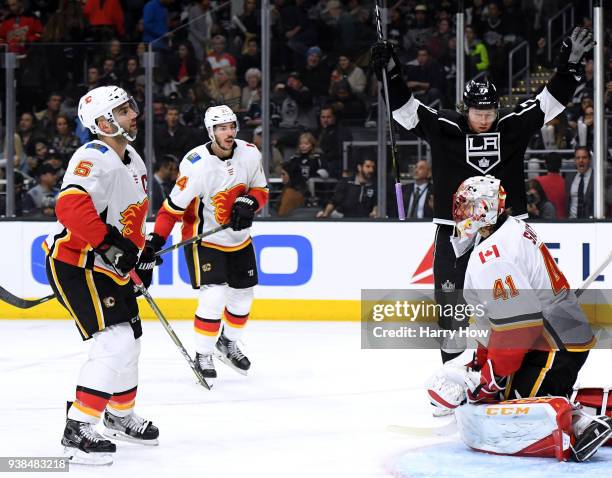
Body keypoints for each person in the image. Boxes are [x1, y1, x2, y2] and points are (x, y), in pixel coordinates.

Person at [369, 27, 595, 364]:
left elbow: (549, 103)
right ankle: (454, 374)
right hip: (455, 232)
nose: (485, 119)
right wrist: (391, 73)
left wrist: (568, 68)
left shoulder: (511, 126)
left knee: (518, 303)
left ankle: (519, 372)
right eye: (479, 113)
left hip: (506, 234)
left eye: (490, 113)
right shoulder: (446, 127)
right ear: (466, 108)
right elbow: (407, 112)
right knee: (451, 304)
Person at [427, 175, 611, 462]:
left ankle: (579, 425)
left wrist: (490, 379)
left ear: (484, 210)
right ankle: (596, 409)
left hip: (553, 345)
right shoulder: (508, 229)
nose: (460, 214)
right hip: (556, 333)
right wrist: (484, 363)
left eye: (465, 207)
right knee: (513, 396)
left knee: (515, 412)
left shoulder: (493, 255)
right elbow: (499, 321)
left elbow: (518, 329)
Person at [43, 86, 159, 465]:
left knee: (132, 341)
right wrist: (111, 248)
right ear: (104, 122)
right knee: (116, 340)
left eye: (130, 108)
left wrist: (139, 256)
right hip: (78, 263)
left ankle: (119, 415)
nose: (133, 114)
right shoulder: (93, 155)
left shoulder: (133, 159)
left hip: (108, 266)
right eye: (124, 110)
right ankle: (77, 427)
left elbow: (130, 218)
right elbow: (71, 207)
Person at [150, 105, 269, 379]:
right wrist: (156, 240)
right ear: (210, 131)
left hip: (239, 240)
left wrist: (250, 202)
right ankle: (203, 353)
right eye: (222, 128)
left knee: (243, 298)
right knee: (214, 296)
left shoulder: (250, 153)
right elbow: (171, 209)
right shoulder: (196, 165)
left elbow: (260, 189)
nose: (229, 133)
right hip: (203, 239)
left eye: (231, 126)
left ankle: (226, 343)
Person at [535, 153, 567, 219]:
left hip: (544, 223)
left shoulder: (537, 181)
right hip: (564, 222)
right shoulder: (567, 183)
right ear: (561, 165)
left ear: (545, 165)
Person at [566, 146, 593, 219]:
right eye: (578, 158)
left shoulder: (596, 178)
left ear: (589, 159)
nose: (581, 160)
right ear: (575, 160)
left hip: (591, 223)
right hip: (572, 221)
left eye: (584, 157)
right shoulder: (569, 177)